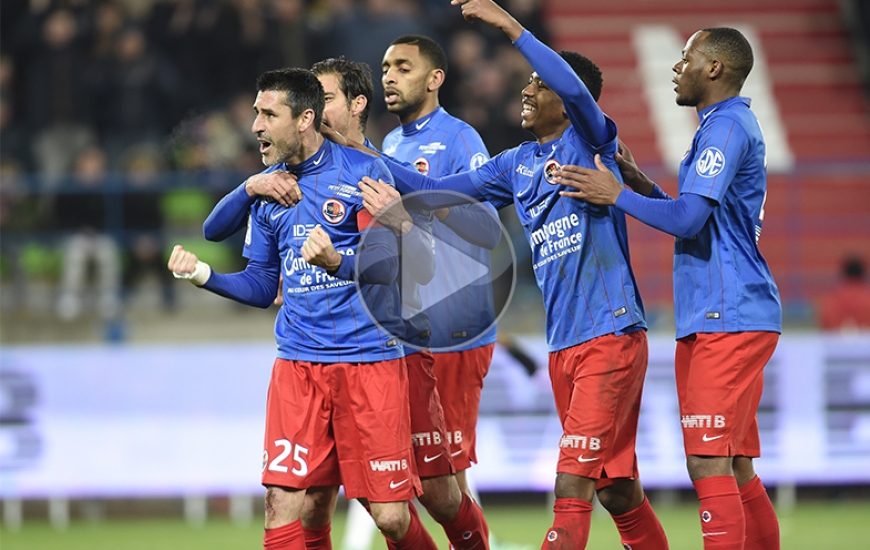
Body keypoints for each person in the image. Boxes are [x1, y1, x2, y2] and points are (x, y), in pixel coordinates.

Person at [340, 1, 670, 547]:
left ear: (566, 103)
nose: (526, 91)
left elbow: (578, 93)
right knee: (617, 488)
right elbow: (434, 194)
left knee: (573, 483)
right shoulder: (515, 164)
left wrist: (513, 29)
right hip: (564, 342)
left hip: (610, 335)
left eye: (539, 86)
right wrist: (363, 153)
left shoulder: (588, 143)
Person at [202, 59, 488, 550]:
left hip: (389, 354)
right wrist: (215, 257)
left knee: (425, 502)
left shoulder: (374, 175)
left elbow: (416, 264)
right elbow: (243, 263)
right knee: (302, 503)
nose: (258, 126)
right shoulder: (276, 184)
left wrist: (358, 251)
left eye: (327, 97)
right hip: (307, 362)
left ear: (345, 107)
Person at [555, 27, 782, 550]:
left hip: (729, 315)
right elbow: (702, 217)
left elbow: (687, 220)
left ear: (715, 69)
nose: (676, 67)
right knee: (735, 462)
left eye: (686, 58)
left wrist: (616, 195)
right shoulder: (719, 127)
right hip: (723, 314)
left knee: (706, 458)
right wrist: (641, 185)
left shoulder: (726, 128)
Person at [818, 256, 870, 330]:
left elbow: (826, 325)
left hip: (836, 339)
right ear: (863, 275)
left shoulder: (831, 301)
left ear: (844, 275)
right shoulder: (867, 299)